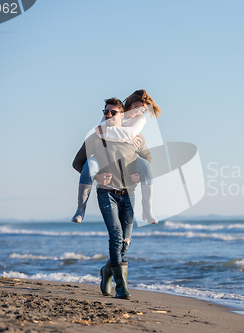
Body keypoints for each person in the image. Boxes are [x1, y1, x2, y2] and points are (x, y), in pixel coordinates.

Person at [72, 97, 152, 299]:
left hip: (129, 194)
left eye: (112, 112)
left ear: (121, 114)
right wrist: (97, 176)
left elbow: (147, 159)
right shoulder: (96, 137)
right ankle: (121, 286)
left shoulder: (135, 137)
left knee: (126, 241)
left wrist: (138, 175)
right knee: (116, 236)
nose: (108, 115)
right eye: (105, 112)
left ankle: (106, 271)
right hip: (106, 193)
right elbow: (77, 163)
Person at [71, 89, 162, 224]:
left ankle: (147, 211)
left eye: (142, 110)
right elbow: (101, 130)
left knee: (146, 165)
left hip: (128, 174)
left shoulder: (140, 119)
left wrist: (139, 174)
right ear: (130, 102)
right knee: (90, 164)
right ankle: (80, 209)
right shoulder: (114, 112)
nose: (138, 112)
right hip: (104, 167)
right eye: (136, 107)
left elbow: (141, 148)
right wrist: (127, 137)